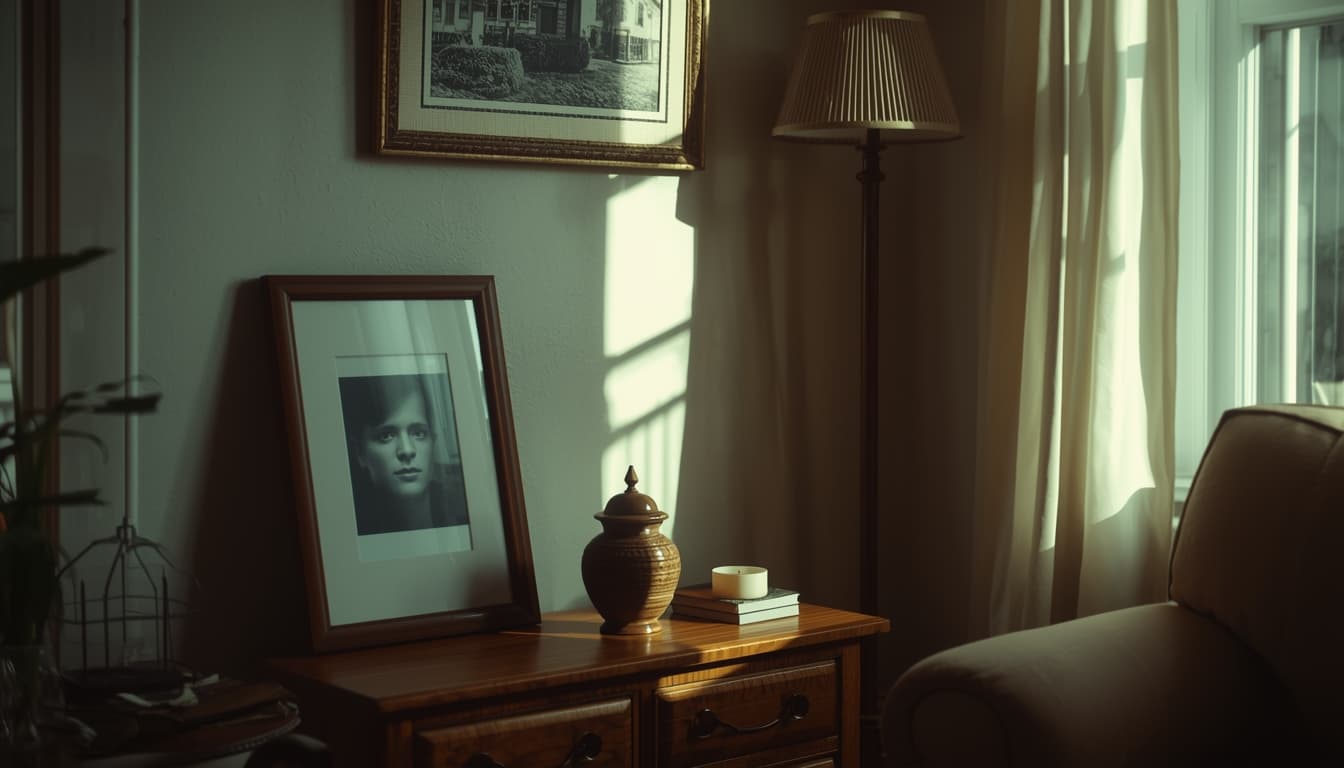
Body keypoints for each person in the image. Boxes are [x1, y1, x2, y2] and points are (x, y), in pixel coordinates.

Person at [338, 374, 469, 536]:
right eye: (386, 436)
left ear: (432, 441)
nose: (407, 450)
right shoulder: (345, 528)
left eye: (419, 433)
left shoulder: (466, 512)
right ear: (360, 452)